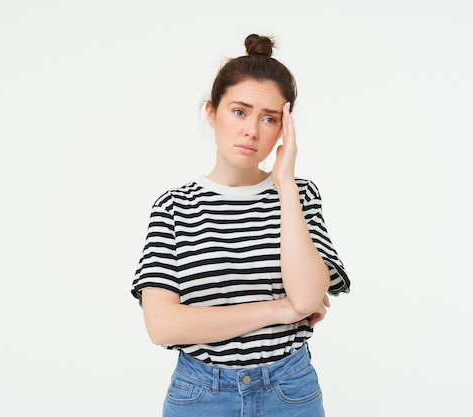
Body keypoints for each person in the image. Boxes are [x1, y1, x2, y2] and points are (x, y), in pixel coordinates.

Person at [131, 33, 350, 417]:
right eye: (239, 111)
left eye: (270, 119)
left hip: (289, 390)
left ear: (286, 129)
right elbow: (163, 325)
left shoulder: (299, 195)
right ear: (212, 113)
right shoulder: (174, 207)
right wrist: (276, 311)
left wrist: (284, 183)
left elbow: (306, 296)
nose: (252, 130)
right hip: (200, 394)